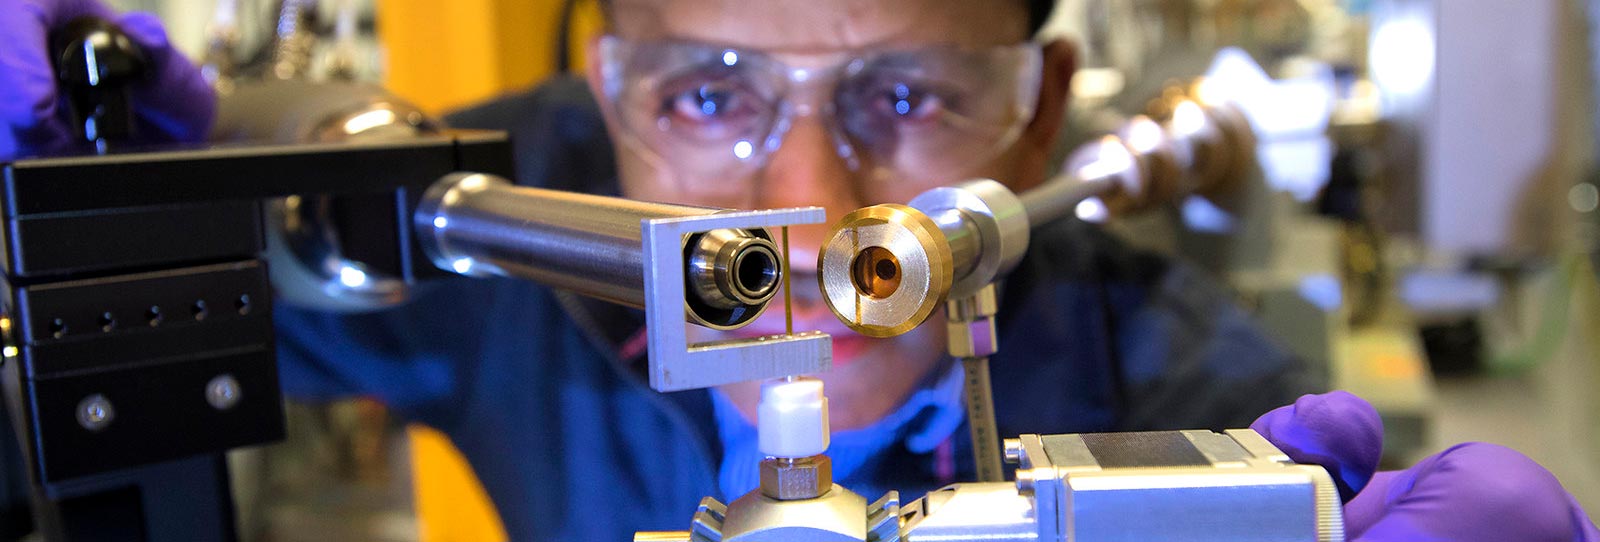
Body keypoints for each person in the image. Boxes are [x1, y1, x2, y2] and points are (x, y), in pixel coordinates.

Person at [1, 0, 1595, 540]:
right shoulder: (489, 227)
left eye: (906, 93)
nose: (811, 209)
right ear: (611, 91)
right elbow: (120, 355)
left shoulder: (1201, 395)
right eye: (710, 95)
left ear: (1037, 115)